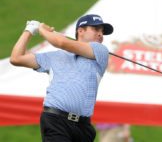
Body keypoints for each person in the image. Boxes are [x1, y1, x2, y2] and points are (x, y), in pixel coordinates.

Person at [10, 14, 113, 142]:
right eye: (96, 29)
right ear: (80, 31)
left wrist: (41, 29)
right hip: (55, 120)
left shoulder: (100, 51)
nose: (100, 34)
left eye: (102, 31)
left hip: (83, 127)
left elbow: (61, 42)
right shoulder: (54, 57)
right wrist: (30, 30)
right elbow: (16, 58)